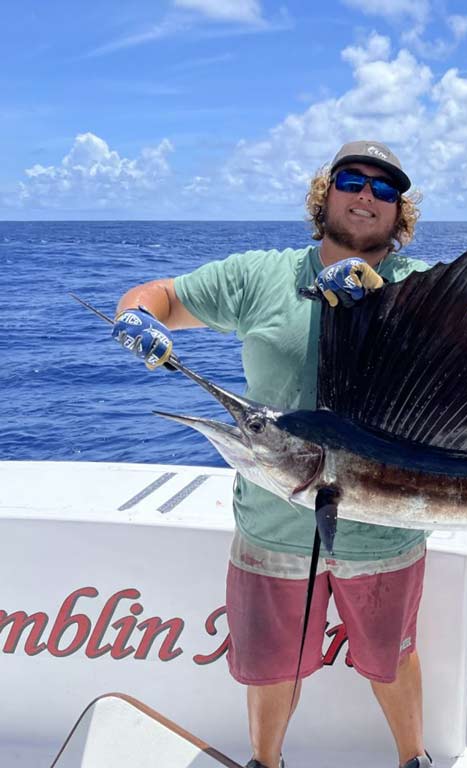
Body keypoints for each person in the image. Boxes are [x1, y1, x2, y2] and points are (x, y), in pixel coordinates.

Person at [111, 141, 434, 768]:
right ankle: (267, 762)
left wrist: (387, 308)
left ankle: (413, 760)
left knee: (390, 656)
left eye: (385, 189)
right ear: (326, 192)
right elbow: (160, 296)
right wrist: (136, 314)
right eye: (351, 180)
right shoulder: (261, 275)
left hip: (385, 530)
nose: (366, 195)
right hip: (272, 523)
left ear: (400, 214)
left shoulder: (420, 290)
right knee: (270, 666)